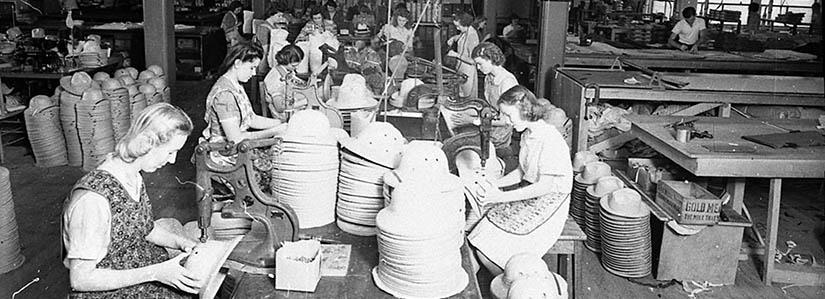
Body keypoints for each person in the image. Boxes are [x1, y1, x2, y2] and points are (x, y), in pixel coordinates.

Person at [62, 103, 200, 297]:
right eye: (170, 152)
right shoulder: (93, 201)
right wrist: (156, 273)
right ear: (147, 142)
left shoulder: (132, 174)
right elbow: (81, 279)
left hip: (139, 269)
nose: (173, 160)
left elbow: (144, 229)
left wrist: (181, 242)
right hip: (109, 290)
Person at [467, 85, 572, 276]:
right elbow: (521, 172)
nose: (506, 121)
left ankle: (512, 284)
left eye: (508, 115)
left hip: (550, 202)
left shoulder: (550, 139)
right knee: (477, 235)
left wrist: (498, 197)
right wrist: (493, 184)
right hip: (532, 193)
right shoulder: (527, 135)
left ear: (524, 109)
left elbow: (544, 187)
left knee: (487, 250)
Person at [202, 41, 284, 165]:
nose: (254, 73)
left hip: (238, 148)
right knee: (277, 169)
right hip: (224, 153)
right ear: (237, 63)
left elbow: (251, 119)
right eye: (252, 68)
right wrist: (274, 132)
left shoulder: (236, 85)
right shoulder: (225, 95)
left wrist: (281, 123)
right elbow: (235, 139)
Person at [448, 42, 518, 152]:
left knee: (461, 146)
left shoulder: (507, 82)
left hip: (500, 135)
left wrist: (473, 120)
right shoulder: (488, 77)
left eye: (480, 64)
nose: (478, 68)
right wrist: (471, 113)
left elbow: (505, 121)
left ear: (491, 59)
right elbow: (490, 108)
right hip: (489, 124)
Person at [263, 45, 307, 121]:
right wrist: (305, 101)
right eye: (294, 65)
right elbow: (279, 107)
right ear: (285, 61)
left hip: (295, 109)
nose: (297, 68)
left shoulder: (288, 72)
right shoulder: (274, 77)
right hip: (284, 116)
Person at [447, 12, 480, 98]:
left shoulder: (472, 35)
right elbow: (459, 37)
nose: (457, 28)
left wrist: (456, 55)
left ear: (465, 24)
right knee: (460, 95)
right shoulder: (464, 32)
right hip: (460, 70)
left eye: (458, 26)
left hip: (468, 72)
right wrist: (453, 38)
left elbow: (473, 61)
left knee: (467, 98)